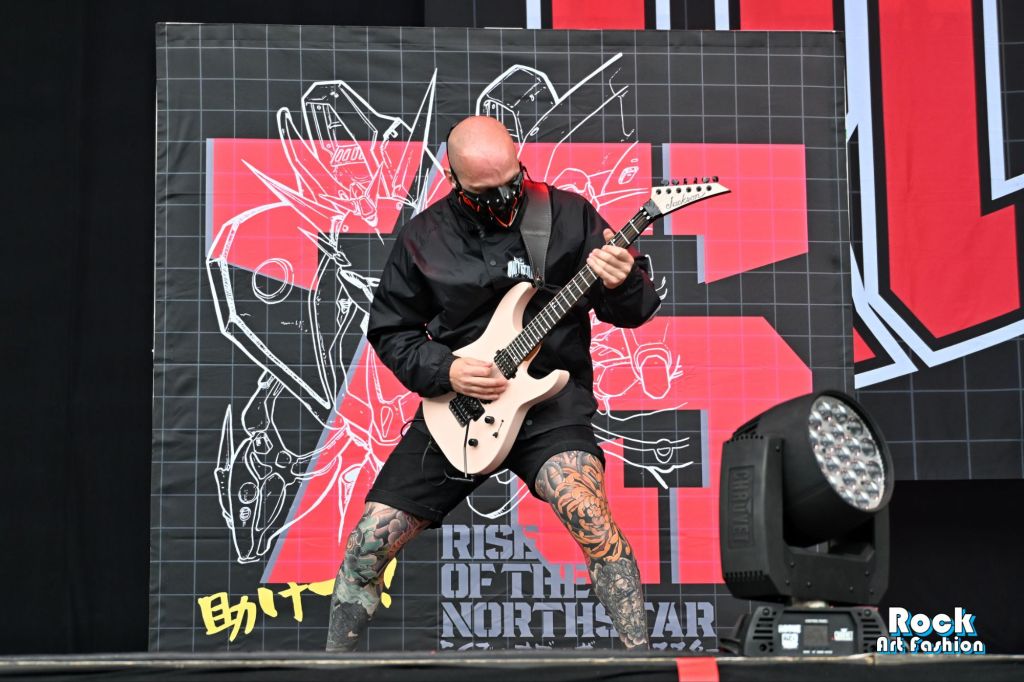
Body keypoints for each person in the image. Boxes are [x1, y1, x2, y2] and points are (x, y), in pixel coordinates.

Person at [326, 116, 661, 652]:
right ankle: (331, 669)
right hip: (457, 407)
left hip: (549, 406)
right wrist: (447, 369)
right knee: (367, 544)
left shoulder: (568, 214)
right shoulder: (423, 238)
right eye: (486, 193)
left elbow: (634, 311)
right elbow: (390, 330)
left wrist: (623, 282)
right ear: (453, 180)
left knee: (591, 516)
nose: (505, 198)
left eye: (512, 181)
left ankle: (643, 663)